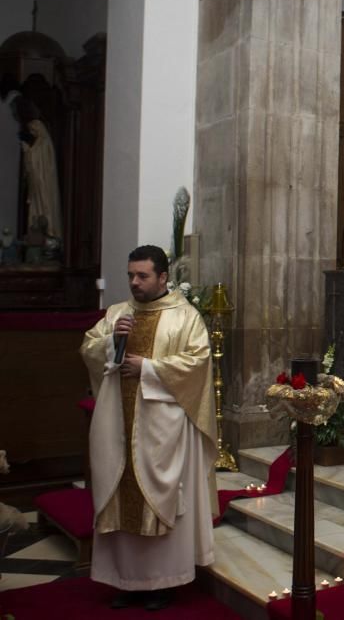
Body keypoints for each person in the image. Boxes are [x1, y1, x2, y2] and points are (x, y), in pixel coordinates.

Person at [80, 245, 217, 610]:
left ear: (162, 277)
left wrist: (150, 369)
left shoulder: (185, 317)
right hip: (117, 425)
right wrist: (113, 342)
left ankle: (162, 582)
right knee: (119, 492)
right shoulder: (117, 314)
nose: (134, 283)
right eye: (130, 276)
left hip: (161, 430)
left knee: (157, 499)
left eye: (142, 276)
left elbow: (198, 363)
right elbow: (88, 348)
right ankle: (126, 580)